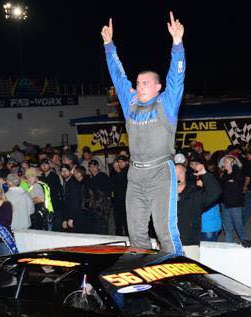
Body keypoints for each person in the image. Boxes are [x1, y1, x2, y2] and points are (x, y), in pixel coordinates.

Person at [102, 12, 186, 254]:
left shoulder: (166, 103)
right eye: (138, 83)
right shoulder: (130, 103)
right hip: (136, 175)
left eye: (145, 83)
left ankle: (179, 271)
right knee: (136, 233)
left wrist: (177, 44)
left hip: (161, 172)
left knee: (164, 230)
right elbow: (118, 76)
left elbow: (176, 77)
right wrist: (109, 45)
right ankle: (144, 272)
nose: (140, 86)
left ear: (158, 87)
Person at [175, 162, 221, 260]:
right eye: (174, 173)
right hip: (169, 245)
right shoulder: (164, 194)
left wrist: (204, 174)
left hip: (189, 245)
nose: (177, 176)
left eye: (180, 173)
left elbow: (215, 193)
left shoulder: (195, 194)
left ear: (186, 174)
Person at [219, 155, 248, 244]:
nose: (224, 164)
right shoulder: (224, 174)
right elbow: (221, 185)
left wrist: (234, 166)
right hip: (225, 204)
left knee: (238, 226)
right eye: (224, 162)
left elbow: (239, 179)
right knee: (228, 228)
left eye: (226, 162)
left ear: (232, 164)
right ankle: (228, 246)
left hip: (235, 205)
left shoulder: (237, 173)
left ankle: (245, 242)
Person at [63, 165, 91, 233]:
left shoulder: (75, 184)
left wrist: (71, 218)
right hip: (85, 213)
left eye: (75, 172)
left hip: (79, 215)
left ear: (79, 174)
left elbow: (74, 202)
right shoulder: (87, 181)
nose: (73, 173)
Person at [40, 159, 65, 231]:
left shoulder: (54, 176)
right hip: (45, 205)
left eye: (46, 164)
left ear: (50, 165)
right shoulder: (41, 177)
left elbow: (57, 191)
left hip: (55, 205)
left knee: (54, 227)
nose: (44, 166)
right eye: (42, 164)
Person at [111, 156, 129, 236]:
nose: (119, 164)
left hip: (125, 202)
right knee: (118, 224)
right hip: (118, 202)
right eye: (118, 162)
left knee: (125, 223)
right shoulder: (115, 174)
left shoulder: (126, 172)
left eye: (121, 162)